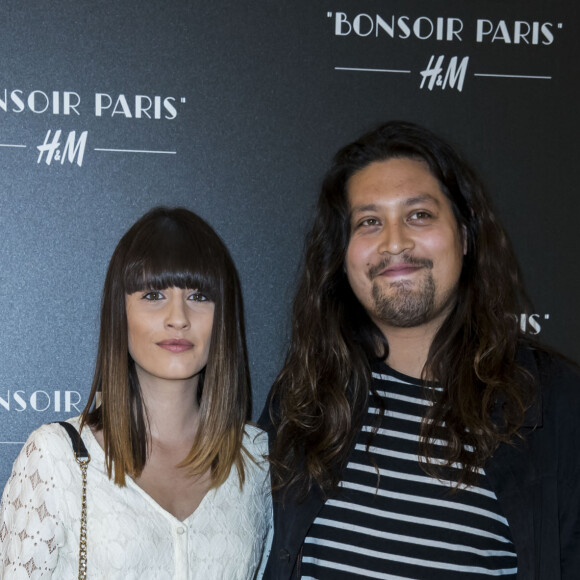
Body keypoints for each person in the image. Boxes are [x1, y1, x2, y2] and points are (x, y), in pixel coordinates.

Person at [259, 121, 580, 579]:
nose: (395, 243)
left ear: (466, 236)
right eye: (370, 222)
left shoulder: (554, 406)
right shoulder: (301, 401)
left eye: (419, 215)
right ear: (343, 255)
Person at [0, 207, 272, 579]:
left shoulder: (256, 457)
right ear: (120, 313)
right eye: (154, 294)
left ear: (223, 316)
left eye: (199, 295)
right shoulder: (56, 459)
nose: (178, 317)